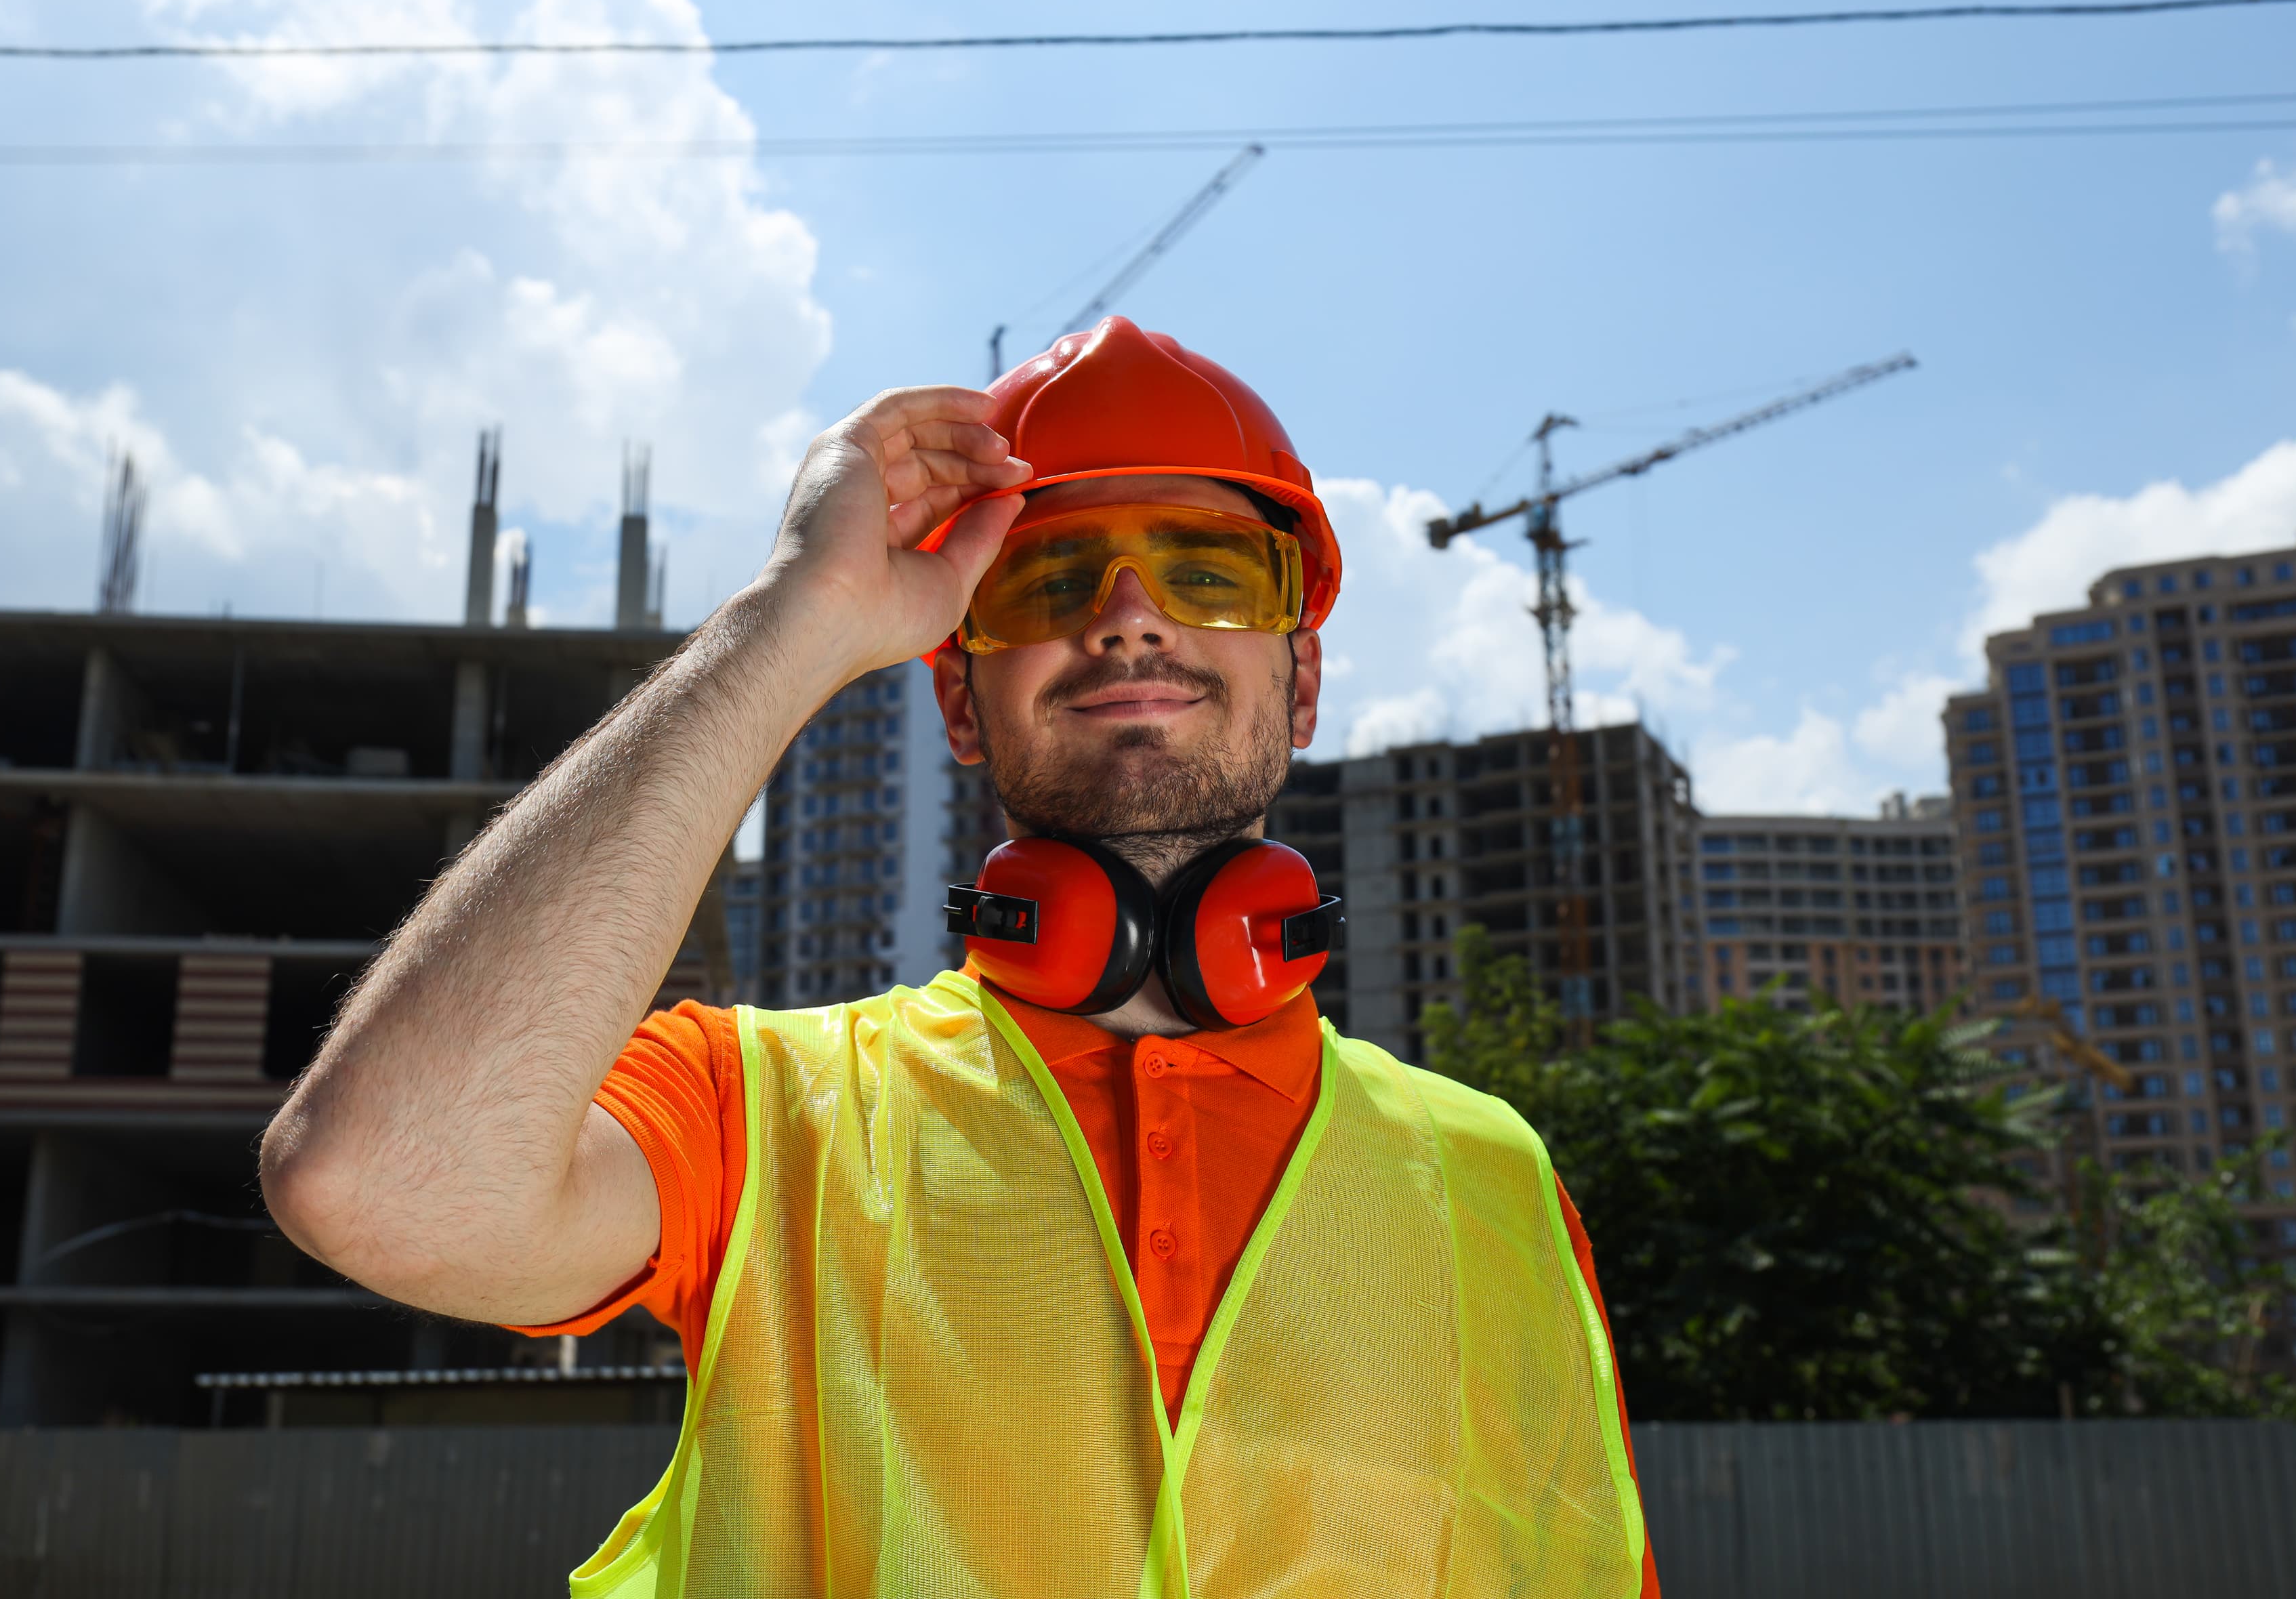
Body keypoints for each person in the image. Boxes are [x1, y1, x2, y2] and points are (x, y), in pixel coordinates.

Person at [261, 316, 1656, 1598]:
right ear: (958, 696)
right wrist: (794, 616)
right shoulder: (771, 1117)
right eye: (1051, 576)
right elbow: (376, 1182)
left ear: (1302, 682)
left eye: (1208, 568)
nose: (1127, 612)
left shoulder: (1497, 1179)